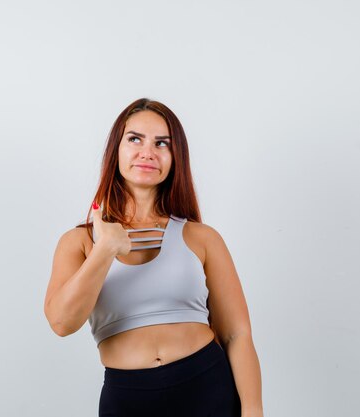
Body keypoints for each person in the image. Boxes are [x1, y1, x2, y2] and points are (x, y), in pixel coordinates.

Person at [44, 98, 264, 417]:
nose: (147, 152)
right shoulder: (78, 242)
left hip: (207, 388)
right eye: (135, 139)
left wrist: (253, 410)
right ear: (115, 150)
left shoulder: (202, 238)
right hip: (127, 399)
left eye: (162, 143)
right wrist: (104, 249)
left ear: (175, 158)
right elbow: (62, 323)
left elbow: (237, 334)